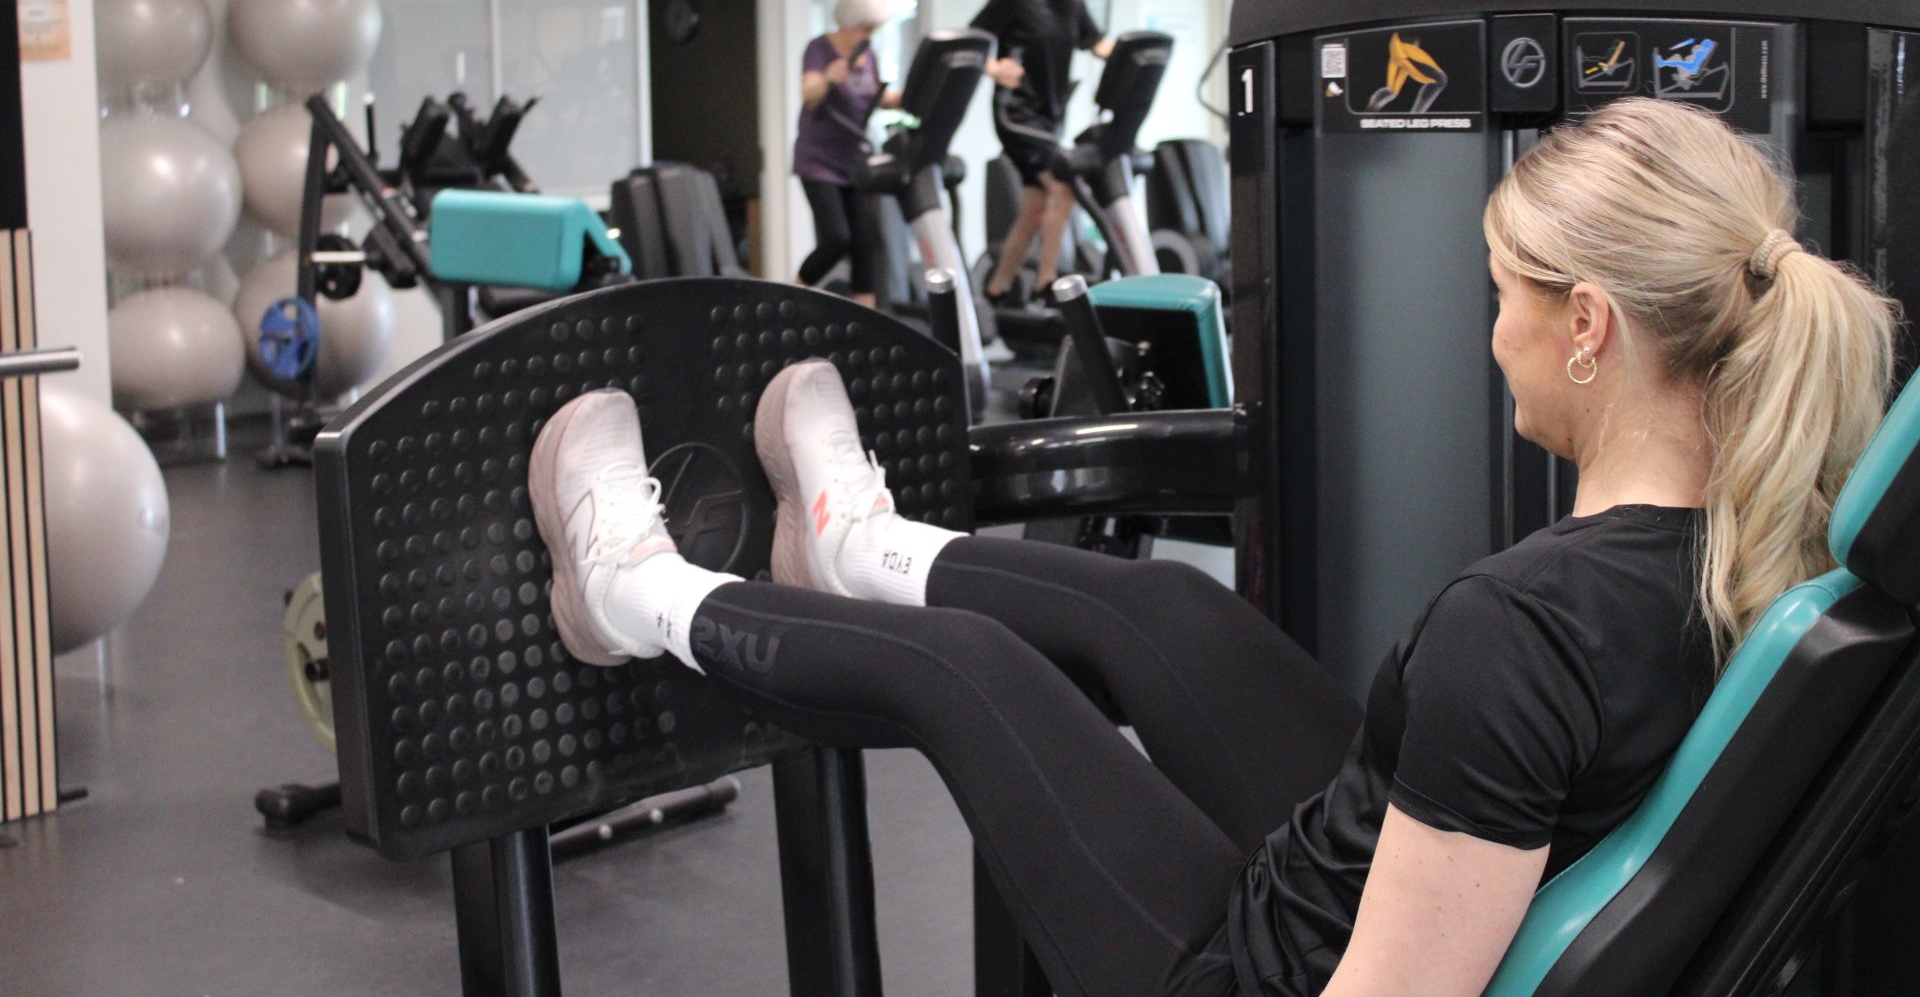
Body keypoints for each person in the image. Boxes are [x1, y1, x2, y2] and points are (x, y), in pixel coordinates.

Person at [526, 97, 1897, 997]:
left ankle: (634, 589)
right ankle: (857, 546)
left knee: (969, 671)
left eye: (1503, 296)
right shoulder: (1766, 541)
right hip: (1373, 869)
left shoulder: (1524, 627)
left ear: (1587, 326)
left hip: (1246, 977)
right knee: (1174, 618)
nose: (1494, 336)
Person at [973, 0, 1117, 307]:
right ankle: (1046, 282)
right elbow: (974, 40)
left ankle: (996, 290)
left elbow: (1097, 44)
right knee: (1064, 188)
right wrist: (994, 69)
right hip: (1016, 113)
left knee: (1034, 208)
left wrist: (1132, 54)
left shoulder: (1072, 2)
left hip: (1051, 115)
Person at [793, 0, 901, 309]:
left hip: (854, 161)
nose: (868, 36)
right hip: (818, 161)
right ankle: (790, 294)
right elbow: (809, 93)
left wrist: (911, 96)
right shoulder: (819, 49)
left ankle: (866, 317)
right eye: (864, 29)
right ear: (848, 21)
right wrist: (829, 78)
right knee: (836, 238)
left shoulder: (868, 54)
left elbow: (874, 98)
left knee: (865, 243)